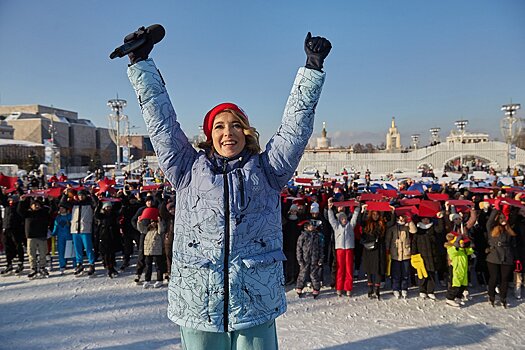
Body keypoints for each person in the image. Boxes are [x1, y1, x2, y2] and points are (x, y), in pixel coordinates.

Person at [120, 25, 330, 349]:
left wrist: (311, 70)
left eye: (236, 125)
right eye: (219, 126)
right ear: (209, 135)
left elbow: (294, 130)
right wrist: (140, 63)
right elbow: (161, 124)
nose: (228, 132)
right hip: (198, 299)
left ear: (247, 133)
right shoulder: (187, 168)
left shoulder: (268, 169)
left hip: (255, 300)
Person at [486, 202, 517, 308]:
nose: (503, 220)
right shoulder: (492, 229)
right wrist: (496, 209)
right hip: (494, 256)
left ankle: (503, 297)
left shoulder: (509, 229)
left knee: (505, 279)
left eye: (505, 218)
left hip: (507, 256)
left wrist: (516, 204)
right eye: (501, 218)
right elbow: (489, 222)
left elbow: (514, 217)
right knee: (494, 277)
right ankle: (491, 296)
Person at [327, 198, 360, 297]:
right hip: (340, 249)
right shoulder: (336, 226)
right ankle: (339, 287)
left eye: (345, 218)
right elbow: (331, 219)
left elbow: (355, 216)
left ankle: (348, 287)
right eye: (342, 219)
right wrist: (329, 209)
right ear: (339, 220)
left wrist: (358, 207)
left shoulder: (351, 226)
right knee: (340, 268)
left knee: (349, 269)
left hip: (349, 249)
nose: (344, 220)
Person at [17, 197, 51, 278]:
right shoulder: (27, 213)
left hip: (41, 236)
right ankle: (33, 268)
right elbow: (19, 211)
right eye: (34, 205)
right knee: (31, 254)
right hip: (31, 236)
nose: (36, 206)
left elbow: (51, 210)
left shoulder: (43, 212)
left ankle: (42, 267)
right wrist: (21, 201)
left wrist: (50, 200)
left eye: (37, 205)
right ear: (31, 206)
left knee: (43, 253)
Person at [385, 213, 416, 299]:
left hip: (406, 253)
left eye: (403, 217)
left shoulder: (407, 226)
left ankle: (404, 288)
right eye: (399, 217)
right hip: (395, 254)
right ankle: (395, 288)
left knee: (405, 273)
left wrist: (410, 221)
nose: (401, 219)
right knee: (396, 273)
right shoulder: (392, 228)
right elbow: (388, 240)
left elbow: (414, 231)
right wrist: (387, 251)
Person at [295, 220, 325, 298]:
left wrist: (321, 258)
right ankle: (299, 287)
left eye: (313, 226)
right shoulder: (303, 236)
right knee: (302, 274)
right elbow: (299, 248)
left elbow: (321, 248)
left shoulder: (317, 236)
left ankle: (316, 288)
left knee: (314, 275)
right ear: (307, 227)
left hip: (314, 258)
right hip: (305, 259)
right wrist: (300, 259)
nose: (312, 227)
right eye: (310, 226)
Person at [444, 232, 474, 307]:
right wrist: (456, 246)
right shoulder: (452, 249)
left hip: (463, 270)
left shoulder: (463, 250)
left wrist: (470, 244)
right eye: (461, 243)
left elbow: (470, 251)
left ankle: (458, 297)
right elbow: (452, 253)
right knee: (456, 285)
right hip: (456, 269)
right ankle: (450, 298)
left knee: (463, 285)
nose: (462, 244)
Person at [137, 207, 164, 288]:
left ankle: (159, 280)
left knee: (158, 265)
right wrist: (139, 222)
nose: (152, 223)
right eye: (151, 222)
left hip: (157, 250)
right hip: (148, 251)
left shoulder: (157, 230)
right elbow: (141, 229)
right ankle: (147, 280)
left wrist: (159, 222)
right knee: (148, 266)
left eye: (154, 222)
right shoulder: (147, 230)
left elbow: (161, 230)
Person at [51, 203, 75, 274]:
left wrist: (70, 225)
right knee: (61, 251)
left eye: (63, 208)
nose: (61, 210)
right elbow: (56, 227)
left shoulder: (70, 216)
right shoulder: (58, 218)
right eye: (60, 208)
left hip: (69, 236)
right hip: (60, 236)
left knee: (71, 251)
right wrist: (53, 233)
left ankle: (75, 264)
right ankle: (62, 265)